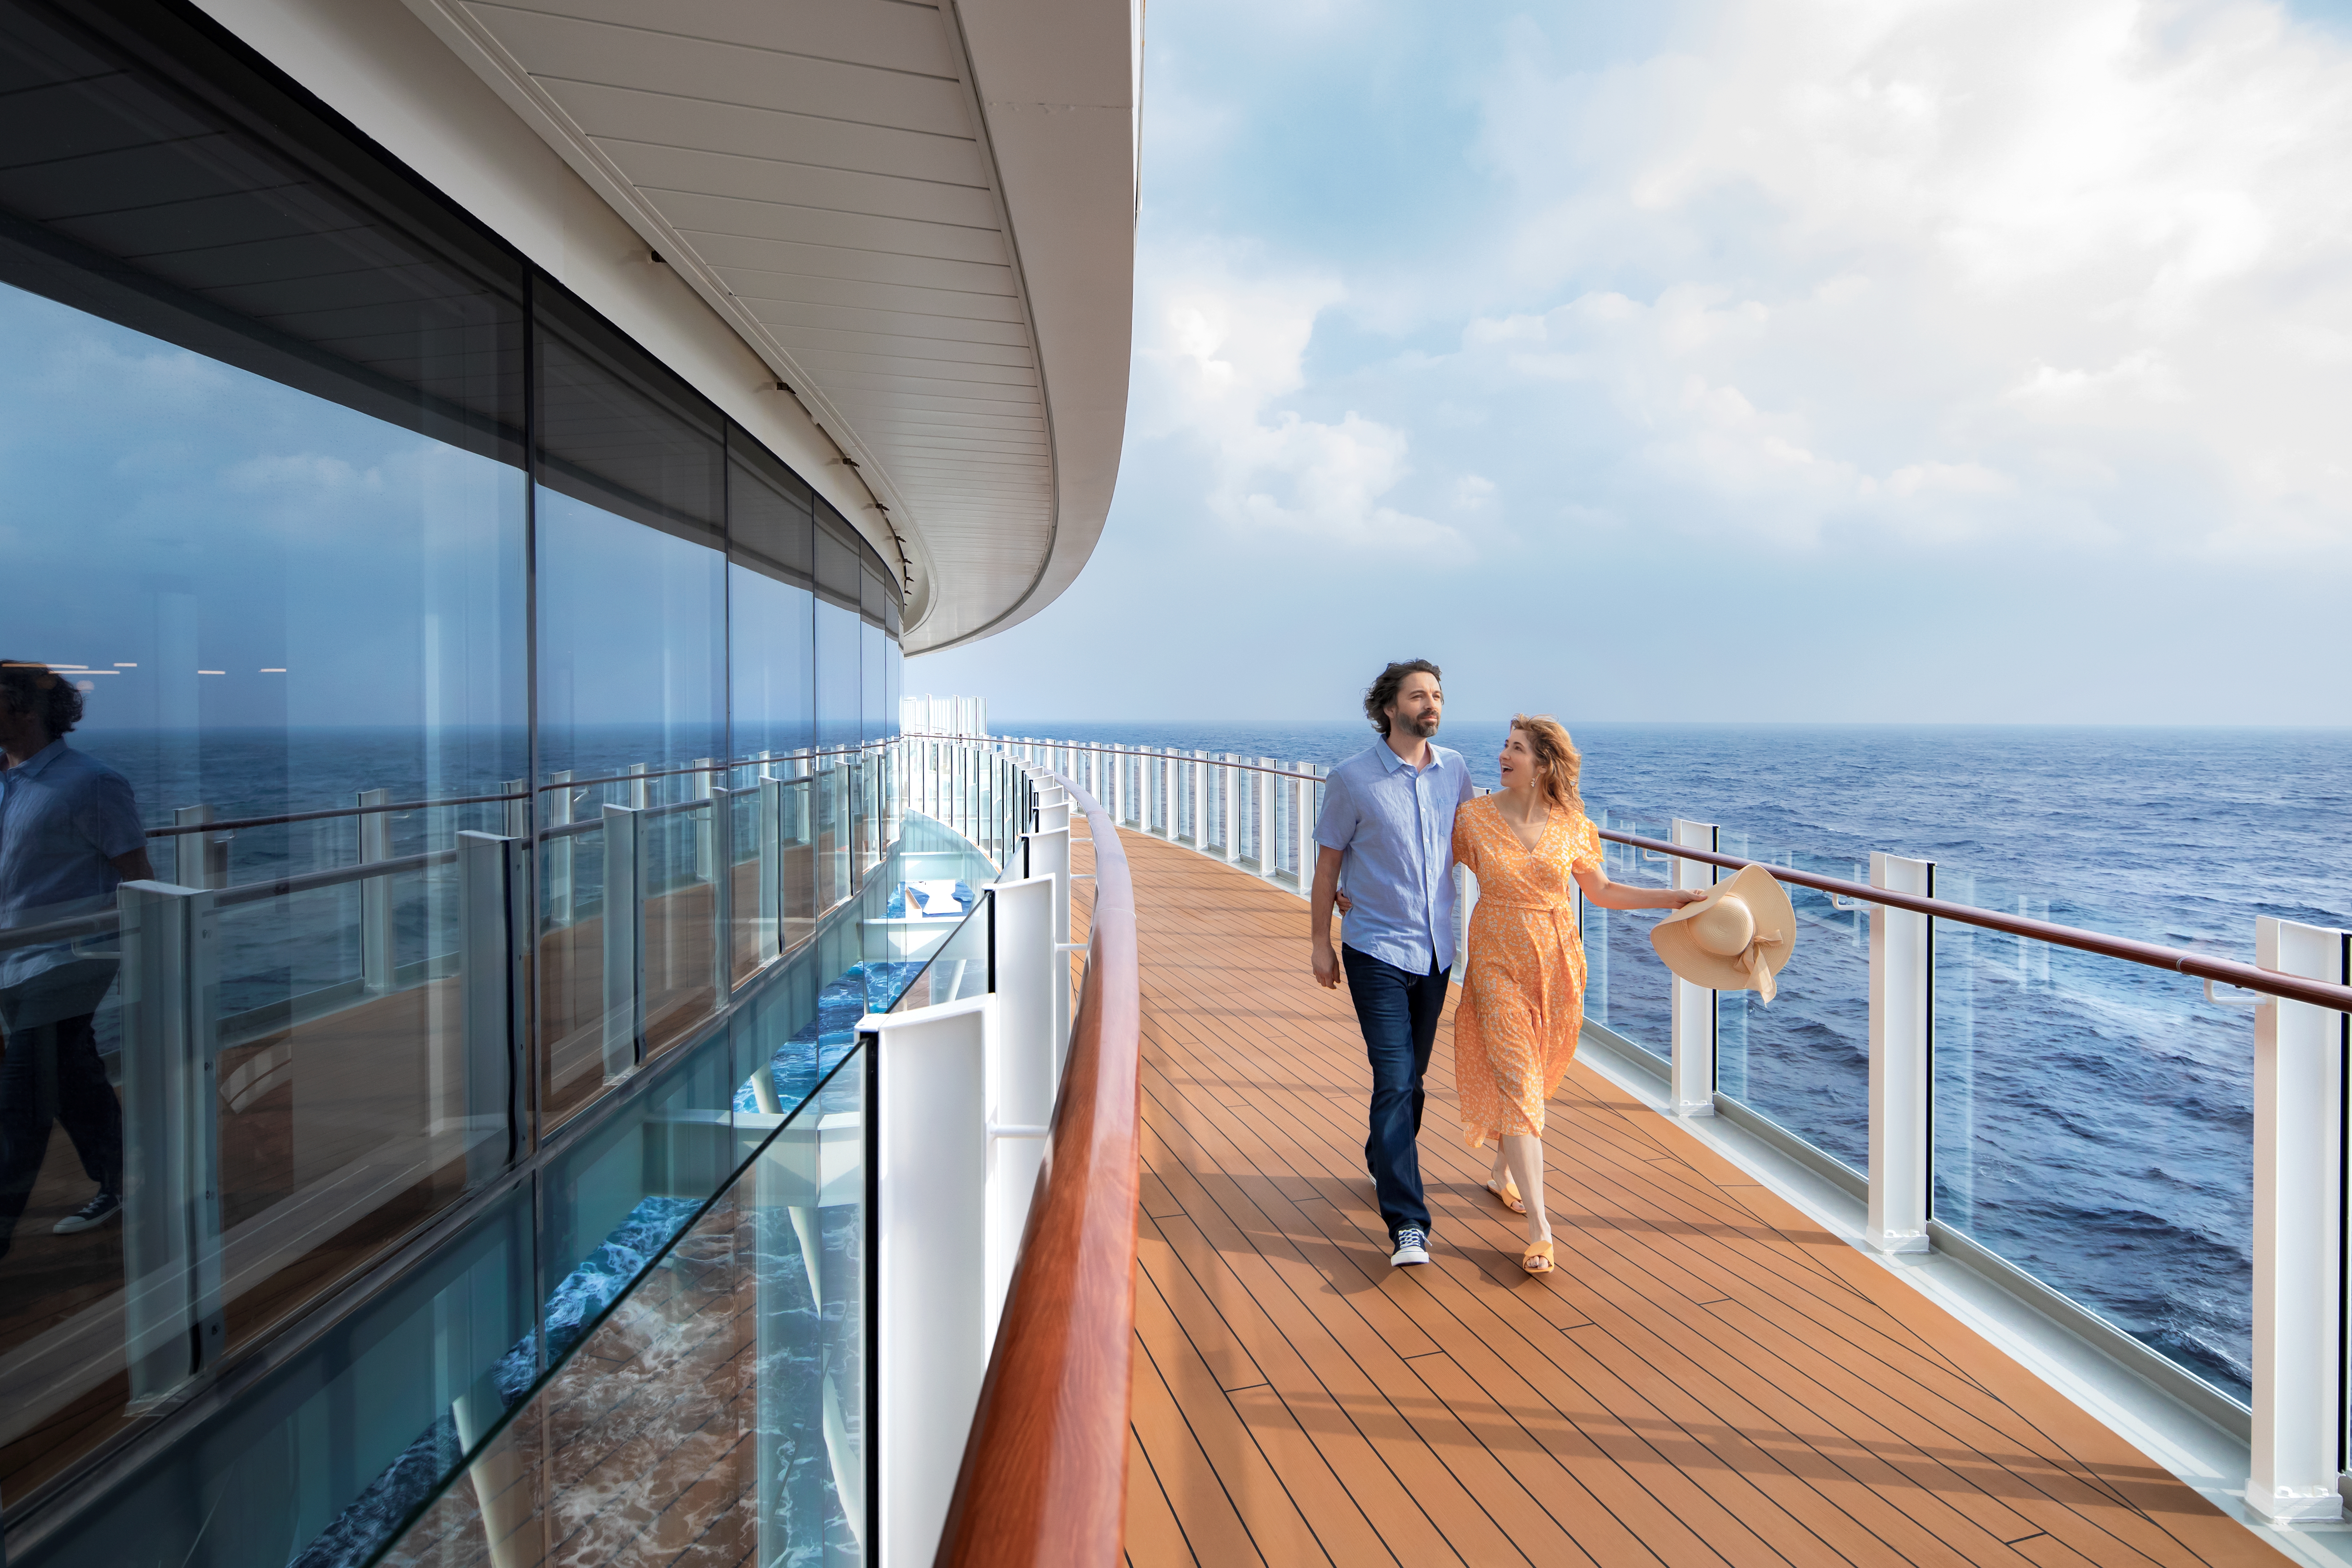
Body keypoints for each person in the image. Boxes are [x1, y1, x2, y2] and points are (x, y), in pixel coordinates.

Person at [1451, 716, 1702, 1274]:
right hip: (1495, 960)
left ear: (1544, 764)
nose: (1502, 756)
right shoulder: (1472, 819)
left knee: (1533, 1079)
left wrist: (1675, 898)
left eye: (1516, 749)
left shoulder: (1571, 824)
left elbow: (1604, 891)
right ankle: (1541, 1230)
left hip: (1559, 965)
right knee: (1518, 1081)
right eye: (1505, 747)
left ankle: (1501, 1171)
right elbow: (1425, 870)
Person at [1310, 660, 1475, 1267]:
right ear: (1388, 708)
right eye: (1418, 696)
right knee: (1397, 1078)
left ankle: (1384, 1155)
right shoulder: (1351, 779)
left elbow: (1471, 843)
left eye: (1436, 695)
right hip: (1374, 948)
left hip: (1436, 953)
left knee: (1415, 1081)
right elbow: (1329, 866)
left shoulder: (1454, 769)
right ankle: (1408, 1222)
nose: (1431, 704)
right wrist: (1321, 943)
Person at [0, 661, 150, 1261]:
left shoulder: (92, 783)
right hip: (12, 960)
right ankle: (120, 1182)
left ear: (23, 709)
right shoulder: (7, 783)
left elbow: (138, 876)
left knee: (21, 1098)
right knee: (72, 1080)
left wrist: (146, 957)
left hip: (70, 958)